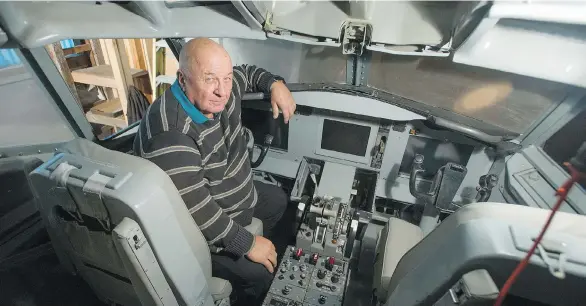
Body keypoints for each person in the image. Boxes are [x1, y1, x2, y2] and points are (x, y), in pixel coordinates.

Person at [133, 37, 296, 303]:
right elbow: (198, 210)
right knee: (260, 276)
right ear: (182, 79)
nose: (222, 91)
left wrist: (275, 84)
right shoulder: (172, 133)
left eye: (227, 78)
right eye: (209, 79)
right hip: (203, 233)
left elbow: (249, 74)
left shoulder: (223, 90)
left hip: (236, 198)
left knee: (278, 200)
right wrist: (248, 243)